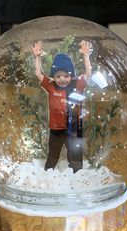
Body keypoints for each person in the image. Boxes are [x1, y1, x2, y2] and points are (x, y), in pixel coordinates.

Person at [32, 40, 92, 172]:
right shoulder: (51, 86)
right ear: (53, 76)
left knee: (75, 155)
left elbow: (88, 74)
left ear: (71, 75)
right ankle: (48, 172)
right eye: (58, 76)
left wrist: (86, 56)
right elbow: (38, 74)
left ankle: (77, 174)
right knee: (53, 154)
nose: (62, 79)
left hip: (73, 128)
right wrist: (37, 57)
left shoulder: (77, 85)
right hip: (56, 129)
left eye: (66, 76)